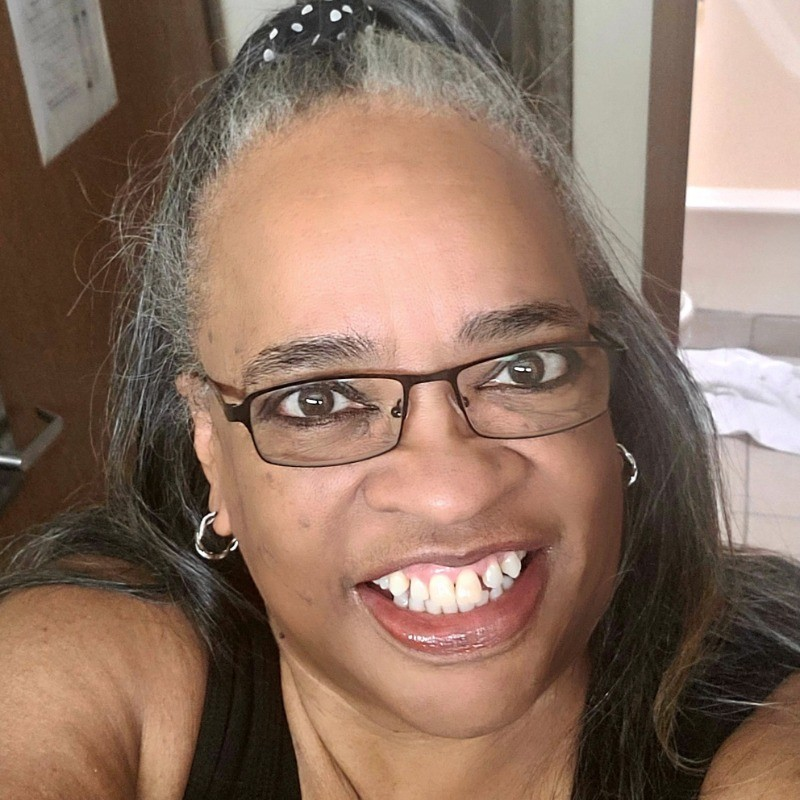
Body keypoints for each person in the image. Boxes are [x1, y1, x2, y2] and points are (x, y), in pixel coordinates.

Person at [1, 1, 799, 798]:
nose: (452, 492)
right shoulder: (86, 672)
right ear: (211, 446)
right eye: (318, 402)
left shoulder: (762, 724)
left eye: (524, 368)